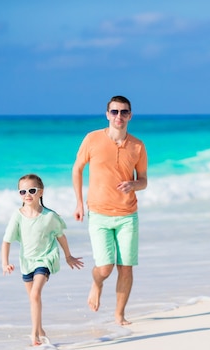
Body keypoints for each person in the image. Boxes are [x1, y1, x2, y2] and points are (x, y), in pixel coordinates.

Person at [72, 95, 148, 326]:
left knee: (125, 268)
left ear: (130, 115)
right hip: (99, 213)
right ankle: (96, 284)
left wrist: (133, 184)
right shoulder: (92, 138)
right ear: (107, 114)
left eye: (124, 112)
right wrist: (78, 202)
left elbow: (143, 180)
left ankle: (119, 315)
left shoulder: (137, 145)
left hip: (127, 216)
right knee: (105, 268)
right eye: (114, 112)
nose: (119, 116)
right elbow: (77, 169)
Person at [1, 173, 84, 346]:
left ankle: (34, 335)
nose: (27, 195)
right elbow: (6, 241)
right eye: (22, 192)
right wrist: (5, 262)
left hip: (45, 258)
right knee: (33, 299)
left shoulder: (49, 216)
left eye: (31, 190)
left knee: (35, 293)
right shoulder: (17, 216)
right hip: (26, 261)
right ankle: (40, 330)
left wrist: (68, 256)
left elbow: (61, 236)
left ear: (40, 192)